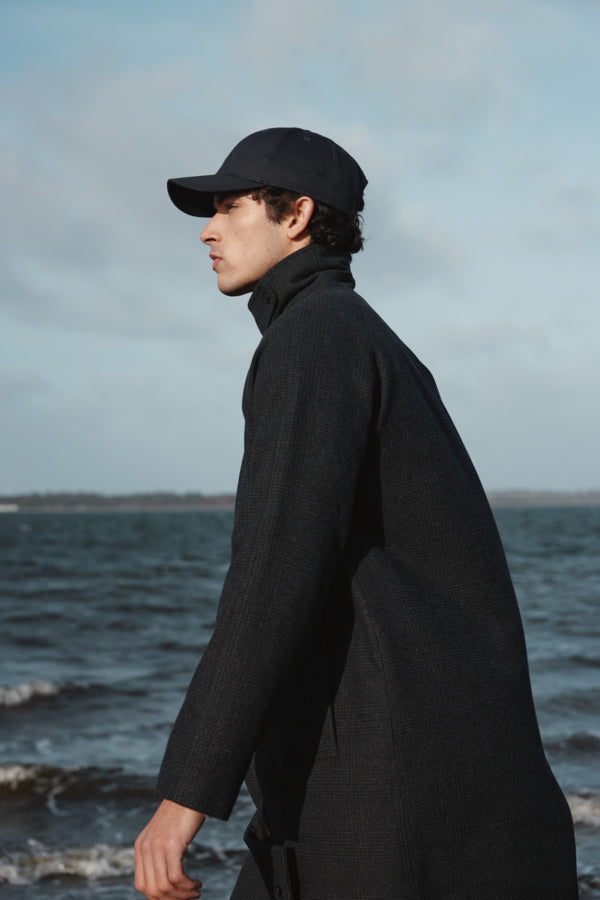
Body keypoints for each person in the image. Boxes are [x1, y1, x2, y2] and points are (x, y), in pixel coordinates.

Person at [134, 127, 578, 900]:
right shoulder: (355, 335)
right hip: (422, 771)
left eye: (230, 207)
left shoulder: (315, 343)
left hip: (383, 793)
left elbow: (275, 575)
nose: (207, 230)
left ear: (298, 214)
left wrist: (184, 799)